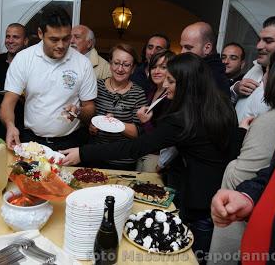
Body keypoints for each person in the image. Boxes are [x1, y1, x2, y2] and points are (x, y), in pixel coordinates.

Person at [62, 53, 238, 262]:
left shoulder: (182, 118)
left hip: (198, 200)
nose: (165, 84)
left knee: (190, 257)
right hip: (222, 193)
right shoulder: (220, 104)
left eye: (171, 81)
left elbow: (136, 147)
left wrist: (83, 153)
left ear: (187, 84)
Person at [208, 49, 275, 265]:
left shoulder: (273, 119)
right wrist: (248, 196)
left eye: (267, 71)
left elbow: (240, 171)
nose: (261, 79)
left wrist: (240, 135)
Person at [0, 6, 97, 151]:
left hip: (70, 143)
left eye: (66, 39)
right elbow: (8, 103)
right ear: (40, 33)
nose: (61, 45)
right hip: (32, 142)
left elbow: (90, 108)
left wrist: (78, 111)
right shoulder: (24, 59)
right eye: (54, 39)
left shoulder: (83, 63)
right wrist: (10, 126)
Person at [88, 43, 147, 170]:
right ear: (110, 63)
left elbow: (138, 132)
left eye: (126, 65)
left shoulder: (138, 93)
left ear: (133, 68)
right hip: (96, 156)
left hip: (123, 160)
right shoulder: (97, 86)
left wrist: (114, 123)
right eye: (116, 63)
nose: (120, 69)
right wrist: (92, 126)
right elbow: (88, 116)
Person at [233, 14, 275, 122]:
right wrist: (236, 89)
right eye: (259, 40)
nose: (258, 46)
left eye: (268, 41)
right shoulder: (257, 67)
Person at [136, 50, 176, 172]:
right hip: (145, 151)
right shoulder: (152, 91)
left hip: (157, 157)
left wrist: (145, 122)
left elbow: (165, 136)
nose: (156, 71)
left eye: (163, 67)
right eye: (153, 67)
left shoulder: (170, 96)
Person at [180, 21, 230, 97]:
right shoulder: (197, 70)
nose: (182, 52)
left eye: (188, 48)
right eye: (182, 47)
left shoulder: (212, 79)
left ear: (207, 48)